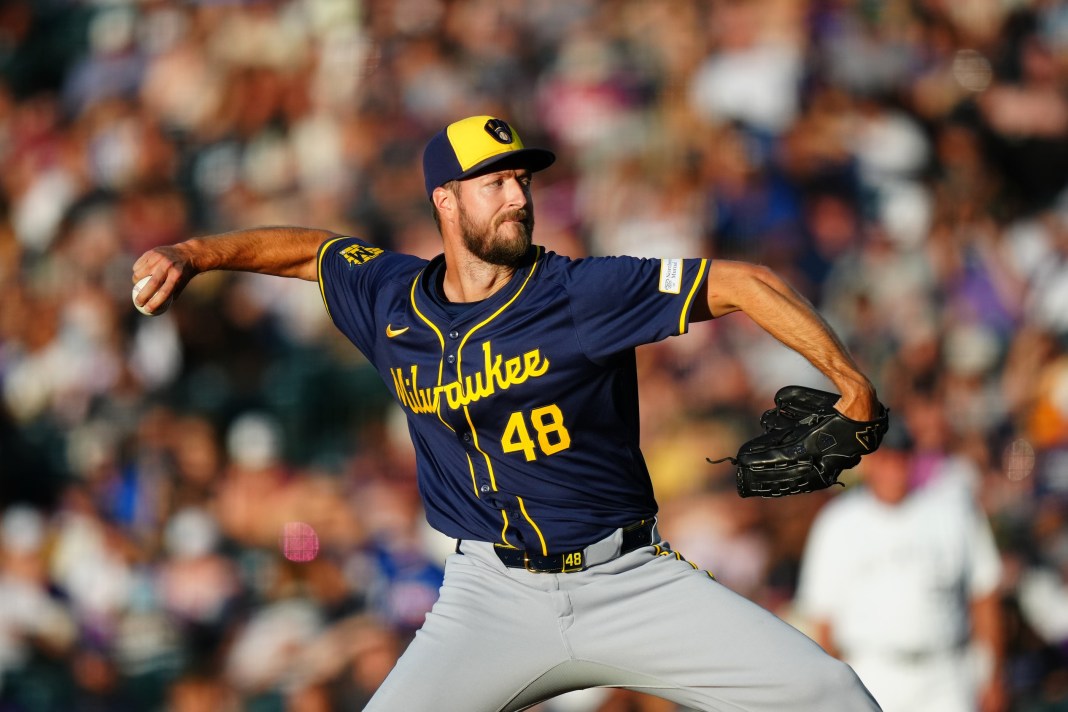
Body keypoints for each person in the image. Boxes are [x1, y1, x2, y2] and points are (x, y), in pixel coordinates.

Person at [133, 115, 884, 711]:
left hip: (629, 580)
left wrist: (851, 383)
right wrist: (195, 253)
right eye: (493, 182)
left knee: (831, 697)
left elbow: (746, 282)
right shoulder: (392, 301)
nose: (519, 196)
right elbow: (311, 252)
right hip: (490, 597)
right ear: (446, 200)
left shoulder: (580, 293)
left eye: (522, 179)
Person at [795, 430, 1006, 712]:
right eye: (886, 461)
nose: (894, 471)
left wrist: (992, 676)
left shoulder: (951, 513)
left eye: (901, 460)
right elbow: (821, 616)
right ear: (869, 463)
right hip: (873, 672)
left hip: (946, 672)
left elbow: (984, 596)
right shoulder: (839, 523)